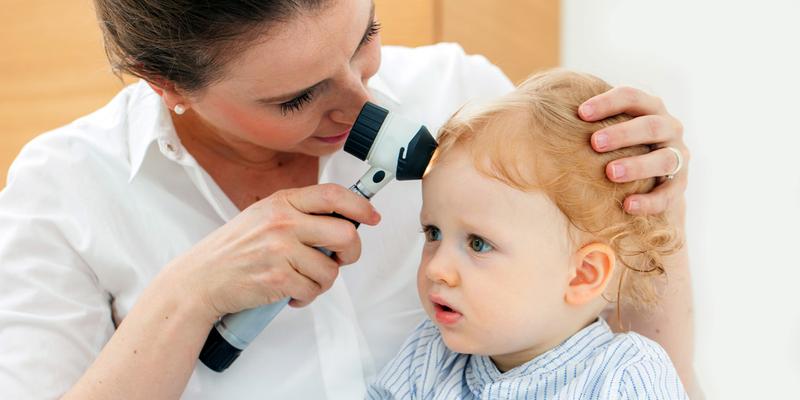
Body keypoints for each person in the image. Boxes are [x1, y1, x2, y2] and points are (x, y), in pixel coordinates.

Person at [0, 0, 696, 398]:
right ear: (166, 85)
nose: (361, 99)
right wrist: (187, 298)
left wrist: (655, 213)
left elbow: (635, 338)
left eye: (366, 36)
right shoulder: (65, 193)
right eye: (296, 97)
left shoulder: (469, 108)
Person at [367, 69, 688, 399]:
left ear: (583, 274)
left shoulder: (624, 377)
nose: (436, 269)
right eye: (433, 233)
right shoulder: (429, 356)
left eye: (478, 243)